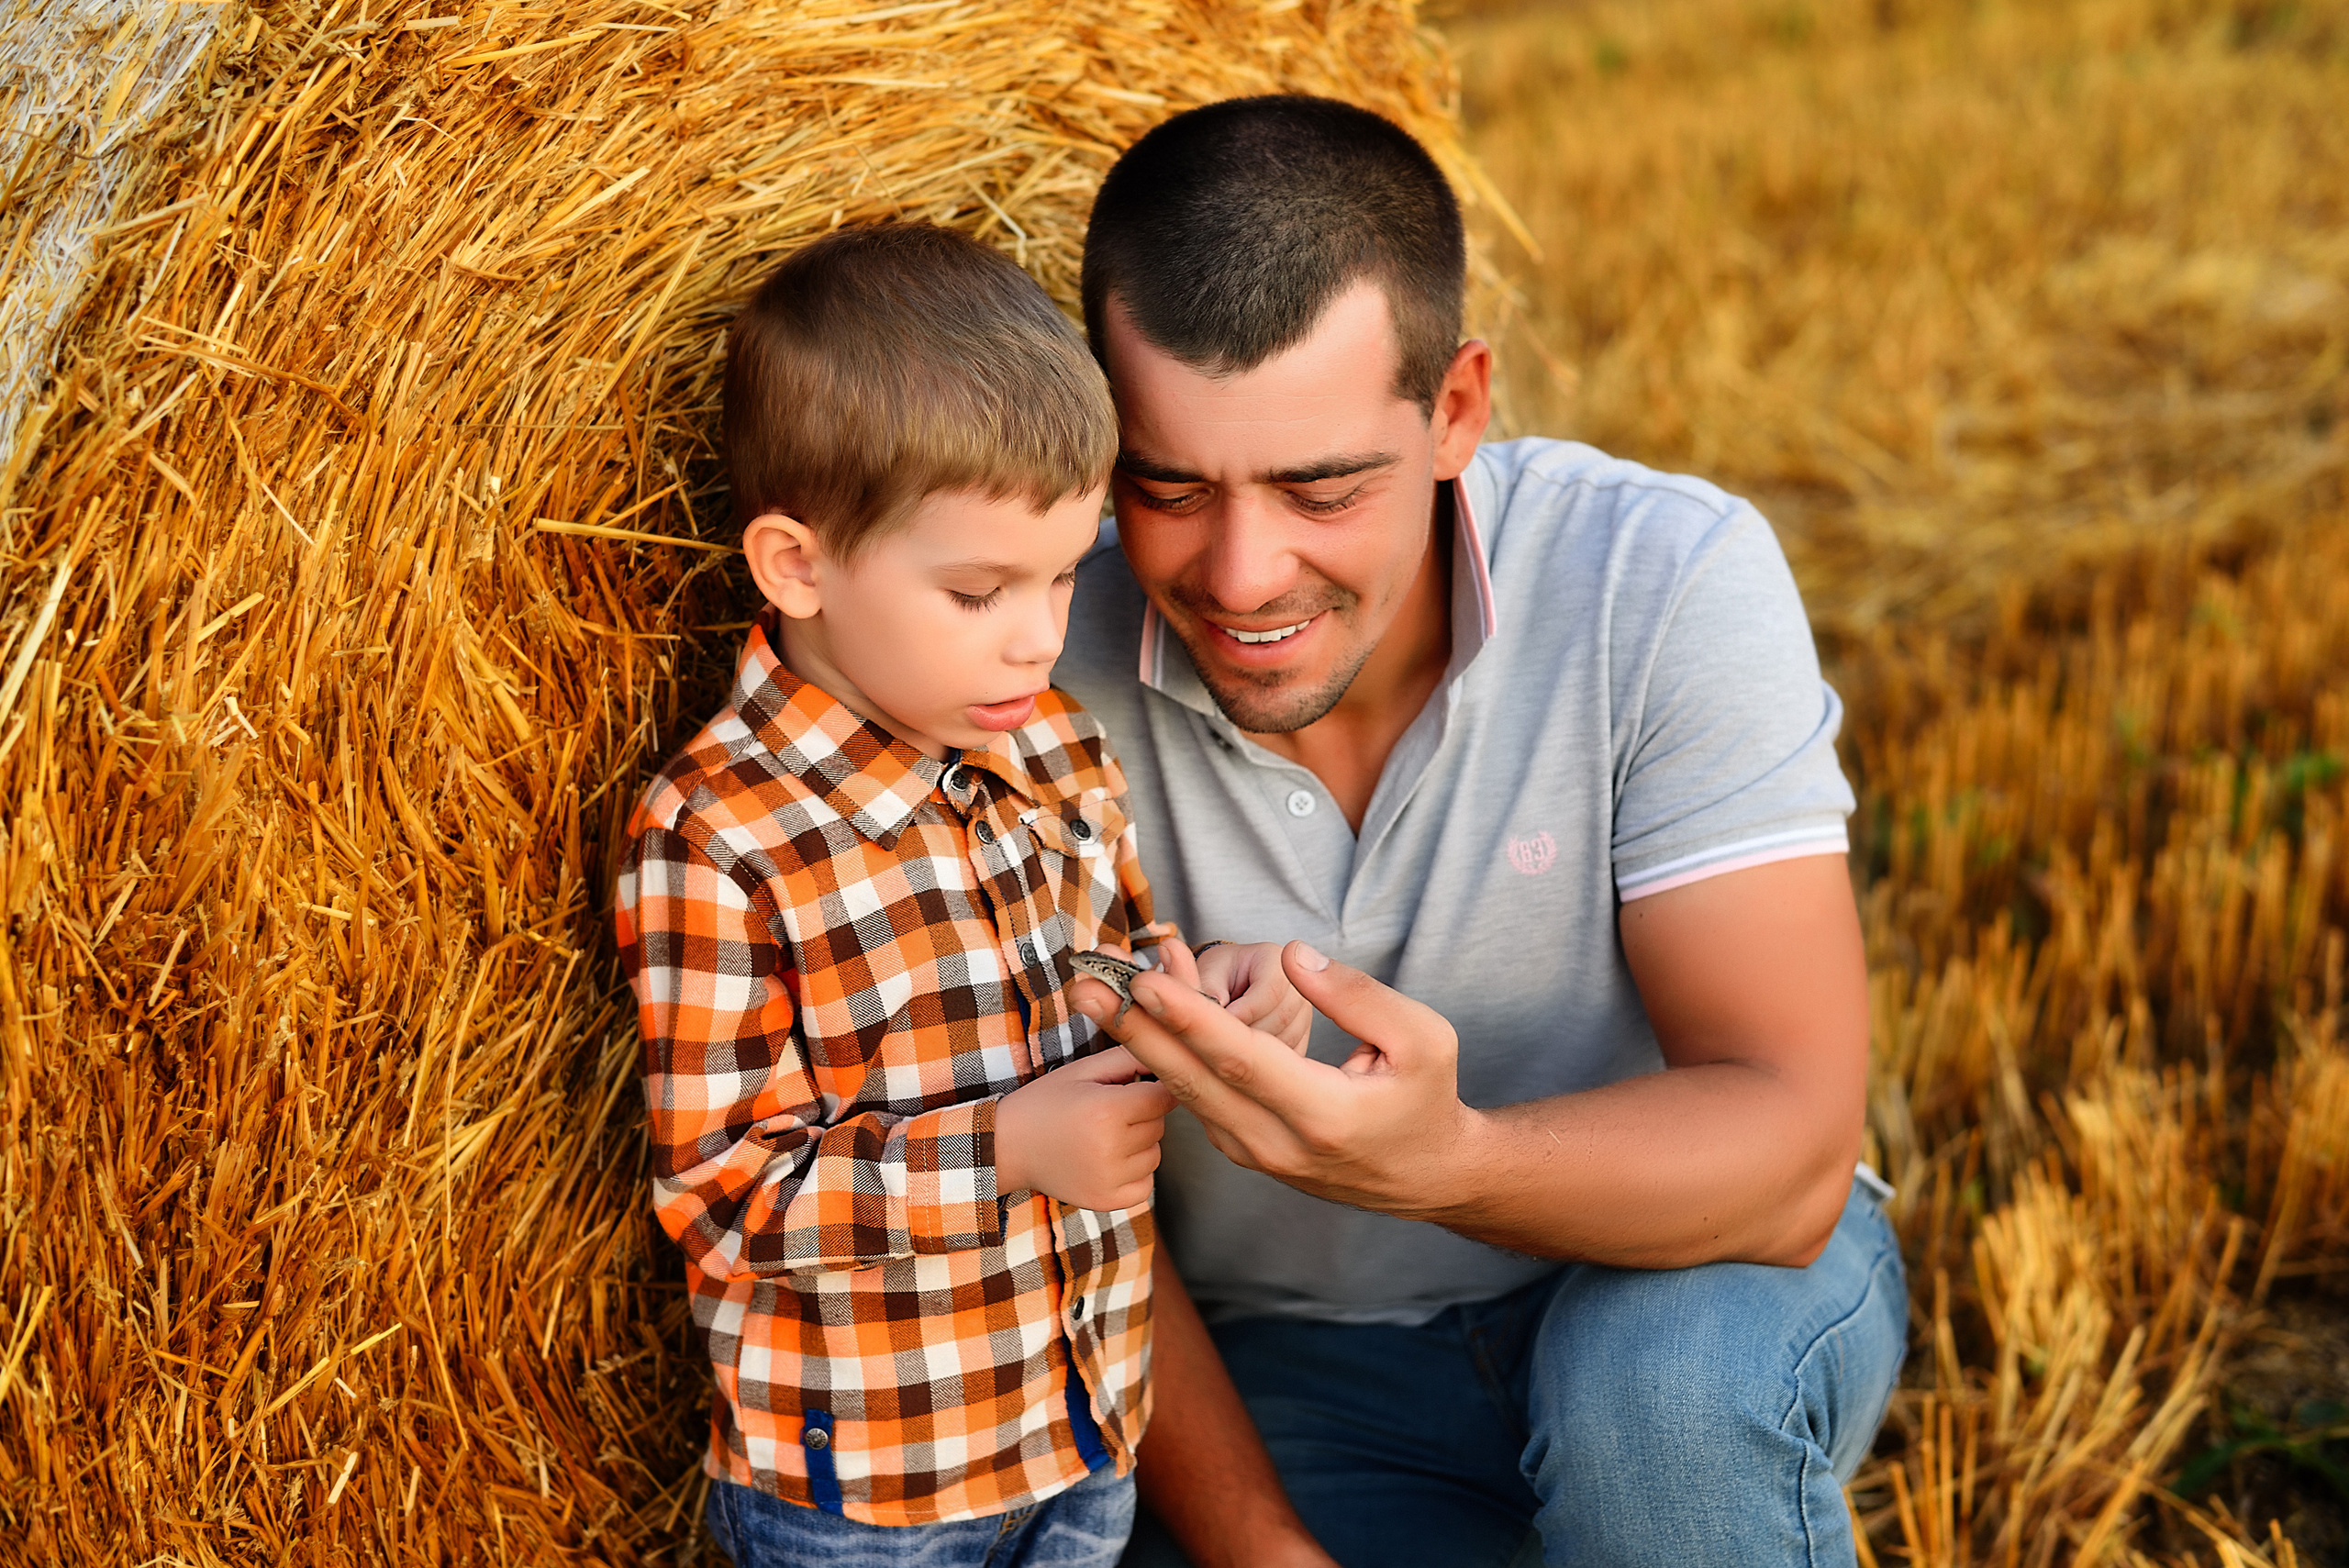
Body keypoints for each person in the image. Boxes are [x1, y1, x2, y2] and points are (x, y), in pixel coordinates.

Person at [1047, 97, 1911, 1567]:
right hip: (1285, 1366)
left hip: (1675, 1270)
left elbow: (1791, 1149)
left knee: (1662, 1415)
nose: (1242, 576)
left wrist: (1446, 1159)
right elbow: (1057, 1217)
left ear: (1457, 409)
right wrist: (1264, 1545)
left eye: (1322, 486)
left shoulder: (1660, 578)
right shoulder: (1022, 659)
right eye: (1169, 487)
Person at [613, 223, 1308, 1567]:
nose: (1040, 636)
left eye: (1066, 573)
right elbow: (724, 1196)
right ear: (797, 565)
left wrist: (1199, 1002)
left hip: (1088, 1424)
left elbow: (1113, 969)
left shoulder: (1058, 747)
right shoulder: (721, 835)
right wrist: (1002, 1151)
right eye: (979, 591)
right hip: (876, 1489)